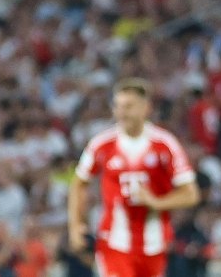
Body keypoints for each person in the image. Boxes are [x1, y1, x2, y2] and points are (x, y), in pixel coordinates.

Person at [68, 78, 201, 277]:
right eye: (118, 106)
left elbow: (191, 194)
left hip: (155, 243)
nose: (122, 112)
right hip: (114, 242)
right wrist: (75, 225)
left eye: (129, 106)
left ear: (146, 108)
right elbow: (79, 183)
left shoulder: (164, 144)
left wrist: (157, 202)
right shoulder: (102, 144)